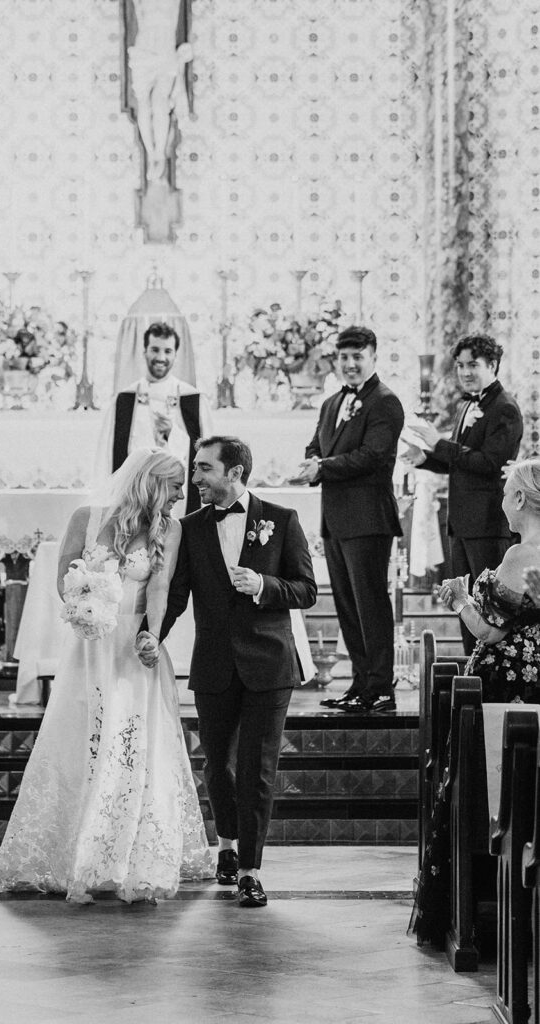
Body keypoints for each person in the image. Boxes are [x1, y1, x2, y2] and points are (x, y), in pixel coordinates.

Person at [0, 449, 213, 904]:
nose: (181, 495)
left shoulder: (171, 529)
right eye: (174, 487)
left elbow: (160, 588)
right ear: (151, 483)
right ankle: (77, 851)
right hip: (89, 647)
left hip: (132, 650)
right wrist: (83, 606)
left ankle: (126, 855)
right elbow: (62, 578)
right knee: (86, 737)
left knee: (131, 742)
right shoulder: (84, 518)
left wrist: (152, 636)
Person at [137, 436, 316, 908]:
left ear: (234, 473)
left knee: (258, 770)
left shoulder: (281, 520)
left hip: (270, 665)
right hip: (214, 663)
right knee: (218, 765)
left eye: (203, 469)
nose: (194, 478)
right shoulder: (189, 528)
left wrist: (264, 585)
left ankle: (252, 871)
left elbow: (306, 589)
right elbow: (174, 594)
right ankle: (228, 846)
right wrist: (150, 633)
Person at [410, 458, 540, 946]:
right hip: (533, 677)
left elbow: (491, 629)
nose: (502, 500)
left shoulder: (520, 555)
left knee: (494, 789)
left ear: (521, 500)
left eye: (506, 491)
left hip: (510, 683)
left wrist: (461, 601)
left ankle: (478, 904)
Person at [298, 326, 405, 712]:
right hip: (337, 520)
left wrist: (322, 467)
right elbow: (317, 443)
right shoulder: (330, 403)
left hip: (369, 520)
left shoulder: (385, 402)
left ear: (373, 357)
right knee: (348, 606)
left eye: (358, 356)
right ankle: (360, 684)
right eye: (344, 357)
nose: (350, 364)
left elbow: (373, 456)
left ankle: (380, 686)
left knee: (371, 605)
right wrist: (313, 460)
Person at [403, 333, 523, 655]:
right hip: (462, 525)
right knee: (465, 605)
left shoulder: (505, 409)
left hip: (487, 526)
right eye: (460, 366)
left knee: (490, 610)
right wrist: (426, 459)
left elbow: (489, 463)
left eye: (473, 364)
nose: (465, 372)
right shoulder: (466, 405)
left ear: (493, 364)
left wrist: (439, 444)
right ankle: (473, 671)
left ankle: (491, 679)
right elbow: (462, 462)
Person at [95, 321, 212, 515]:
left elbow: (206, 454)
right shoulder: (124, 400)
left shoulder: (194, 400)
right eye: (155, 350)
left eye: (167, 351)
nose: (161, 357)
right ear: (145, 351)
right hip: (133, 500)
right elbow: (106, 456)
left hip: (179, 504)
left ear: (175, 354)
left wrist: (172, 433)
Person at [126, 0, 192, 184]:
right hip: (145, 48)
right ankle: (151, 153)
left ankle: (159, 153)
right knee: (144, 102)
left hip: (165, 48)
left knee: (159, 102)